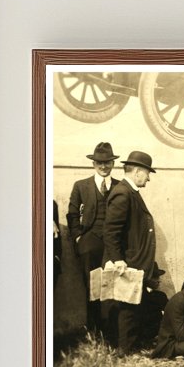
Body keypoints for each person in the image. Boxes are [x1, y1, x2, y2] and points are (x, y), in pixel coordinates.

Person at [102, 150, 160, 355]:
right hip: (127, 261)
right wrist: (118, 259)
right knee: (126, 306)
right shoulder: (123, 193)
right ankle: (124, 349)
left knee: (133, 305)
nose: (148, 178)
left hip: (133, 260)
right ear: (137, 172)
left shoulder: (129, 192)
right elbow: (111, 231)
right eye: (147, 173)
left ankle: (130, 345)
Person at [67, 142, 118, 338]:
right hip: (89, 242)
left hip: (113, 245)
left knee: (112, 286)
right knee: (91, 287)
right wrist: (78, 237)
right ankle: (94, 333)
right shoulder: (81, 186)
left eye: (107, 162)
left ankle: (111, 333)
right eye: (99, 162)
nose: (103, 166)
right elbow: (72, 213)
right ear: (93, 164)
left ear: (113, 163)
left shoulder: (120, 186)